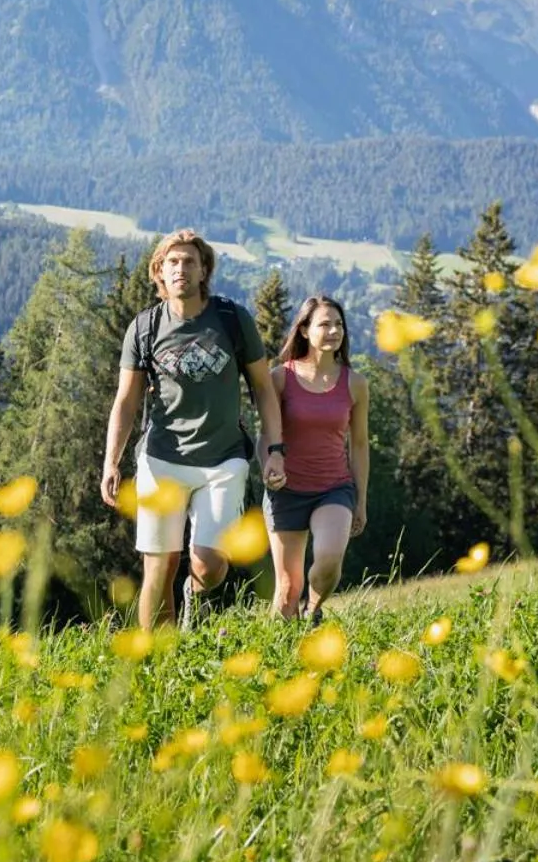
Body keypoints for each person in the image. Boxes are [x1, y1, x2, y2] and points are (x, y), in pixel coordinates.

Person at [101, 229, 284, 629]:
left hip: (223, 460)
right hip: (161, 461)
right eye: (172, 262)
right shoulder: (145, 328)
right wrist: (111, 462)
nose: (180, 269)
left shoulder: (233, 320)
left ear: (204, 271)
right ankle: (161, 660)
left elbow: (264, 390)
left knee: (211, 565)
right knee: (159, 567)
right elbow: (126, 401)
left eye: (189, 262)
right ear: (159, 273)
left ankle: (194, 599)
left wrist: (274, 449)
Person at [260, 294, 369, 620]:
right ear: (305, 330)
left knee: (329, 560)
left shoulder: (356, 384)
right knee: (286, 592)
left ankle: (314, 610)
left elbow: (360, 445)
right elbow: (265, 432)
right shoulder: (281, 377)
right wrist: (268, 463)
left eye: (339, 325)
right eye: (325, 324)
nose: (334, 330)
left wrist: (361, 501)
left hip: (333, 488)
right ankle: (283, 652)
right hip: (287, 490)